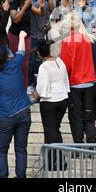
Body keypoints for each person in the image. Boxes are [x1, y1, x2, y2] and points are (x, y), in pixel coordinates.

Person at [0, 31, 32, 179]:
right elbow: (21, 51)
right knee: (21, 149)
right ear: (6, 56)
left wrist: (0, 106)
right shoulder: (15, 65)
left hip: (5, 116)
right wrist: (22, 37)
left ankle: (2, 176)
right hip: (24, 112)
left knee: (1, 151)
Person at [60, 13, 96, 144]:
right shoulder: (87, 39)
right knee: (89, 115)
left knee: (76, 117)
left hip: (75, 82)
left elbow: (66, 65)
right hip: (89, 81)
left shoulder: (67, 41)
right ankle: (92, 143)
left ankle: (79, 144)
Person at [33, 41, 69, 170]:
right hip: (63, 97)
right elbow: (65, 80)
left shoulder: (44, 67)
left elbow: (42, 90)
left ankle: (55, 161)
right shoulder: (60, 61)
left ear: (39, 53)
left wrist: (36, 94)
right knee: (55, 129)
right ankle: (57, 161)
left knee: (50, 131)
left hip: (49, 101)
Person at [8, 0, 42, 87]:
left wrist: (42, 5)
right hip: (15, 37)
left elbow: (39, 12)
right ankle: (14, 85)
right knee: (16, 61)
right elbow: (15, 19)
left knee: (26, 63)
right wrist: (25, 7)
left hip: (27, 37)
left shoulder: (29, 4)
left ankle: (24, 85)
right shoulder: (14, 4)